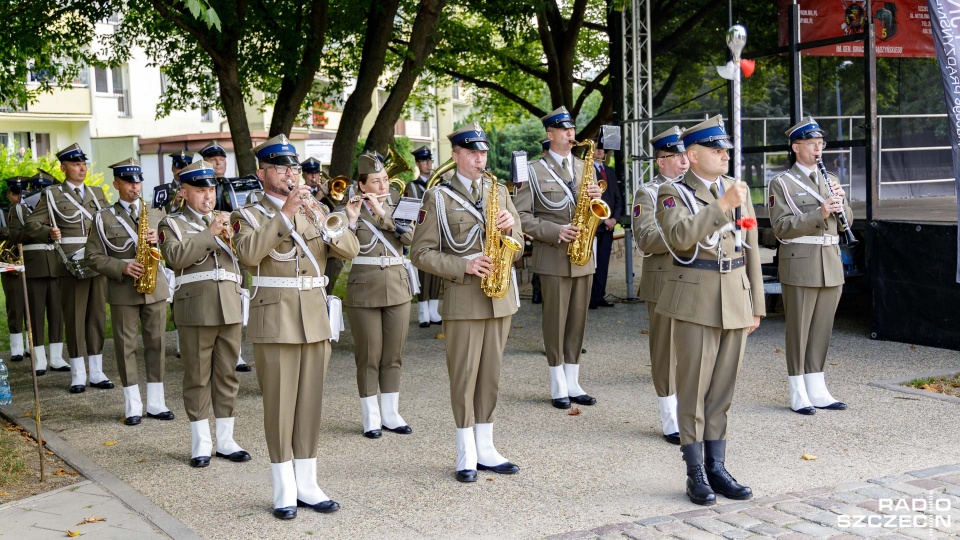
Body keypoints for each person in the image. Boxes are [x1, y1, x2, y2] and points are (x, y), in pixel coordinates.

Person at [231, 134, 359, 519]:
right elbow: (250, 255)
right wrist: (285, 213)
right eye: (281, 167)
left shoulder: (315, 209)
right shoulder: (247, 215)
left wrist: (331, 222)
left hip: (315, 319)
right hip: (276, 319)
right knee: (280, 405)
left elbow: (350, 251)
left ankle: (308, 482)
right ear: (261, 173)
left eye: (293, 167)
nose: (290, 173)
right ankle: (283, 486)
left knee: (309, 405)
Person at [655, 116, 765, 506]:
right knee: (694, 389)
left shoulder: (737, 191)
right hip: (696, 298)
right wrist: (721, 205)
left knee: (722, 391)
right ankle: (695, 472)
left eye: (725, 150)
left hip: (735, 295)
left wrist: (757, 305)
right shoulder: (671, 193)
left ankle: (717, 467)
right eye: (716, 150)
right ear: (692, 155)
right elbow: (681, 239)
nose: (724, 155)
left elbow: (750, 245)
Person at [411, 122, 523, 483]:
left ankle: (486, 446)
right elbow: (421, 253)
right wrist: (463, 264)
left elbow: (519, 243)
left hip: (499, 296)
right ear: (456, 155)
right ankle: (465, 450)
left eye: (483, 152)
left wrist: (510, 229)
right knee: (464, 376)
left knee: (490, 374)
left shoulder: (499, 190)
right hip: (463, 298)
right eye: (472, 152)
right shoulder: (438, 197)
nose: (480, 158)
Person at [159, 160, 250, 467]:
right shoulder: (171, 224)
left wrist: (229, 236)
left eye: (210, 188)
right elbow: (175, 257)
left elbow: (245, 261)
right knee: (198, 377)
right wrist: (210, 234)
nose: (208, 195)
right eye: (199, 190)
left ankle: (225, 440)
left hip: (229, 307)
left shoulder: (228, 220)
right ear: (184, 192)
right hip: (196, 309)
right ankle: (201, 443)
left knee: (227, 376)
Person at [515, 106, 602, 409]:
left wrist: (595, 198)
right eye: (564, 130)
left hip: (583, 255)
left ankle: (574, 380)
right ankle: (557, 384)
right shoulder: (533, 171)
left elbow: (594, 211)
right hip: (553, 254)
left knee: (578, 319)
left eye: (572, 129)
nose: (570, 134)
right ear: (550, 134)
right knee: (556, 320)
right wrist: (554, 230)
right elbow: (521, 217)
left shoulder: (584, 167)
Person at [768, 117, 851, 415]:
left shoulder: (831, 180)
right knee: (799, 329)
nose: (819, 149)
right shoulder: (782, 183)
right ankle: (797, 389)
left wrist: (842, 205)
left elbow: (847, 222)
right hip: (801, 263)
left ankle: (817, 386)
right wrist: (820, 211)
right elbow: (781, 228)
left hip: (830, 263)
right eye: (813, 145)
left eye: (821, 144)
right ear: (796, 147)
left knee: (822, 329)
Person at [85, 158, 174, 426]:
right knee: (126, 347)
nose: (135, 186)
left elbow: (173, 248)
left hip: (155, 288)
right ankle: (133, 404)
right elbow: (92, 256)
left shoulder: (157, 213)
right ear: (116, 184)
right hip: (124, 290)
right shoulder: (102, 217)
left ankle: (157, 402)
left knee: (157, 344)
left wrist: (159, 239)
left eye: (138, 181)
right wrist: (122, 267)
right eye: (128, 182)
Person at [25, 143, 112, 394]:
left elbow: (108, 222)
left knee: (96, 316)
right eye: (76, 164)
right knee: (74, 317)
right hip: (69, 263)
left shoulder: (96, 193)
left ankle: (96, 371)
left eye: (83, 164)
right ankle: (77, 373)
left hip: (96, 261)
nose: (82, 168)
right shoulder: (52, 195)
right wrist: (47, 232)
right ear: (64, 168)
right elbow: (31, 224)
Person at [345, 153, 415, 438]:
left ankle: (391, 412)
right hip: (363, 288)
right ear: (362, 186)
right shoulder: (348, 210)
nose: (382, 185)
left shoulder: (404, 205)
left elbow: (412, 239)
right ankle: (370, 416)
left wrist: (385, 214)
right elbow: (341, 249)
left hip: (397, 286)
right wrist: (350, 221)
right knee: (369, 355)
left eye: (385, 179)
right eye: (375, 181)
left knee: (393, 354)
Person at [632, 126, 689, 445]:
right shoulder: (648, 193)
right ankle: (670, 418)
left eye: (685, 155)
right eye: (677, 156)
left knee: (693, 349)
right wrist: (683, 233)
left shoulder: (695, 190)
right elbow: (645, 239)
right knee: (665, 350)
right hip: (663, 279)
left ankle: (691, 410)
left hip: (694, 278)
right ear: (660, 160)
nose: (683, 162)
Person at [8, 172, 68, 375]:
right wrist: (42, 230)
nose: (42, 194)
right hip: (34, 267)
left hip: (56, 264)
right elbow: (15, 235)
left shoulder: (54, 207)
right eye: (39, 190)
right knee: (34, 315)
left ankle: (57, 357)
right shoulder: (19, 209)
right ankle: (39, 359)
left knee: (56, 313)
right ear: (31, 190)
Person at [406, 145, 442, 327]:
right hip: (421, 233)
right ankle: (422, 312)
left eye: (430, 161)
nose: (429, 164)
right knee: (423, 272)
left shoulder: (440, 183)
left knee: (436, 272)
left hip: (438, 232)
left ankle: (434, 311)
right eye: (425, 161)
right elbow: (409, 211)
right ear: (418, 163)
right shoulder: (412, 186)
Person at [589, 133, 624, 309]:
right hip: (594, 226)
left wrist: (614, 219)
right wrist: (603, 220)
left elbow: (618, 199)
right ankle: (589, 298)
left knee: (603, 262)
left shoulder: (609, 171)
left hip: (609, 226)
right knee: (592, 263)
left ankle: (599, 296)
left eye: (602, 148)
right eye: (597, 147)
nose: (600, 150)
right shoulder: (586, 171)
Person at [1, 177, 29, 363]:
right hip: (10, 264)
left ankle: (30, 346)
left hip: (31, 264)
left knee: (31, 308)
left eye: (22, 193)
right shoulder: (2, 213)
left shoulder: (30, 211)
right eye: (15, 193)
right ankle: (16, 348)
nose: (19, 196)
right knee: (15, 306)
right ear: (9, 195)